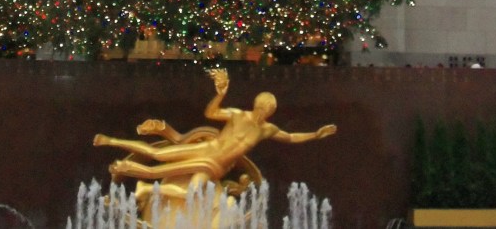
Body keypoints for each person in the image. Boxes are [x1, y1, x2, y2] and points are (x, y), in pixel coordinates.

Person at [93, 67, 337, 185]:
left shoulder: (266, 130)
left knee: (160, 171)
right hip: (208, 148)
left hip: (217, 164)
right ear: (256, 105)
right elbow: (210, 112)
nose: (265, 113)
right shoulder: (238, 115)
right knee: (158, 153)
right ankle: (111, 141)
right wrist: (220, 94)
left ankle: (126, 168)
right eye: (263, 108)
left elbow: (291, 137)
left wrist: (315, 134)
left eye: (269, 111)